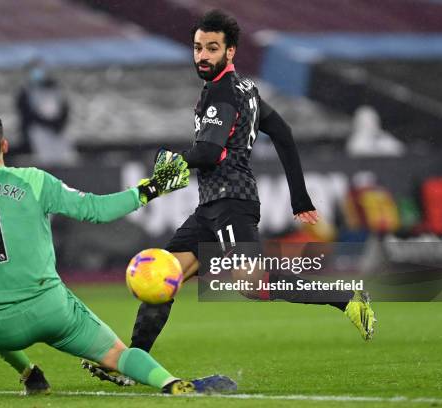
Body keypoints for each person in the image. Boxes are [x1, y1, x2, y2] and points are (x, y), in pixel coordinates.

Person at [85, 9, 376, 385]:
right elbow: (283, 131)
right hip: (212, 206)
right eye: (197, 48)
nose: (202, 56)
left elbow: (208, 153)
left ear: (231, 52)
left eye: (211, 48)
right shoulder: (245, 89)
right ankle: (128, 368)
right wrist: (300, 197)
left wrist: (175, 160)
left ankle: (347, 297)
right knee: (162, 280)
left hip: (231, 202)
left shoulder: (222, 92)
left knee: (251, 284)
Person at [0, 111, 236, 395]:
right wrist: (150, 188)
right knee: (118, 355)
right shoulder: (35, 181)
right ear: (4, 144)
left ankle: (29, 373)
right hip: (53, 311)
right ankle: (171, 384)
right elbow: (97, 210)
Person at [16, 61, 76, 164]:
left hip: (58, 130)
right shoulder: (26, 92)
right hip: (39, 130)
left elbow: (65, 108)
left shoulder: (56, 89)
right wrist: (46, 123)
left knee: (65, 157)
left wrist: (59, 124)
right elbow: (27, 114)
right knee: (45, 159)